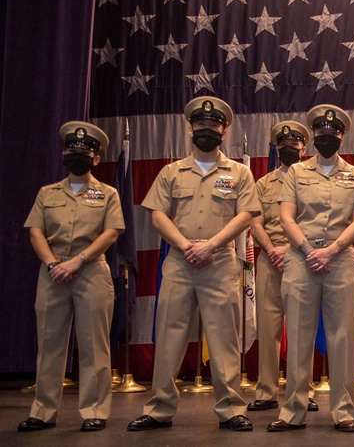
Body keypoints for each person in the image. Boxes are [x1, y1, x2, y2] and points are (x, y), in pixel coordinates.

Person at [130, 96, 259, 432]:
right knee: (169, 335)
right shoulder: (172, 172)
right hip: (180, 260)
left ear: (224, 131)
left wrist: (212, 245)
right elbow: (157, 215)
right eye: (201, 125)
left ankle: (231, 408)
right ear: (190, 129)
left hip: (219, 261)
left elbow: (245, 215)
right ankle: (159, 409)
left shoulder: (239, 173)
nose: (207, 130)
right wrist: (186, 245)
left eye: (213, 125)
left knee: (224, 338)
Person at [266, 105, 354, 433]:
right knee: (297, 334)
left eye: (332, 134)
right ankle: (293, 409)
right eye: (321, 134)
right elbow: (286, 217)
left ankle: (343, 410)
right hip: (301, 257)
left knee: (341, 337)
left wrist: (333, 249)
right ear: (314, 137)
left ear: (341, 136)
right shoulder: (296, 172)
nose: (327, 138)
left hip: (341, 259)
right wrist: (310, 250)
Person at [19, 122, 124, 433]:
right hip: (53, 274)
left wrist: (77, 262)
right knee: (49, 345)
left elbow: (112, 232)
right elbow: (36, 232)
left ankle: (95, 411)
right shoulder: (46, 193)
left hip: (91, 271)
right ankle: (43, 411)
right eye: (71, 149)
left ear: (96, 159)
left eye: (85, 151)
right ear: (63, 154)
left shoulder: (108, 193)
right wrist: (53, 264)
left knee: (94, 345)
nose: (76, 154)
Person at [247, 120, 319, 414]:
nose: (289, 148)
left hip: (301, 257)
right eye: (284, 145)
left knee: (302, 326)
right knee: (268, 326)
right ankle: (266, 391)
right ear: (277, 149)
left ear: (305, 148)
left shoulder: (312, 180)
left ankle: (304, 390)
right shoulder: (263, 183)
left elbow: (315, 220)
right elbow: (254, 220)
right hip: (269, 258)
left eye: (295, 144)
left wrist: (289, 249)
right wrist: (272, 249)